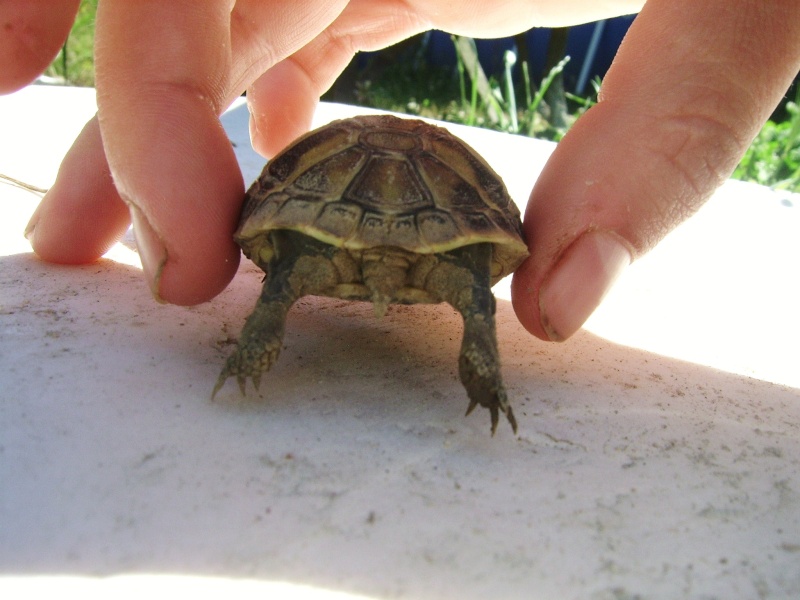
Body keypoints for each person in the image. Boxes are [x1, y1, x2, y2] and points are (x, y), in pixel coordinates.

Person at [2, 1, 799, 342]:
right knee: (291, 280)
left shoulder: (443, 274)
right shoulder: (352, 258)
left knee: (446, 303)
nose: (379, 263)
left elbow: (469, 299)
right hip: (411, 232)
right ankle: (256, 350)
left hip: (388, 234)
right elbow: (286, 275)